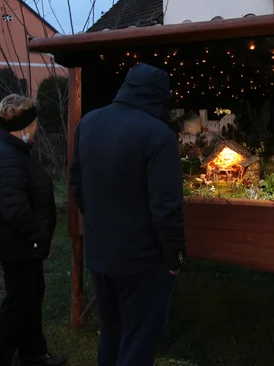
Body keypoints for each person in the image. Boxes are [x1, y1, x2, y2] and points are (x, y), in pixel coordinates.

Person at [70, 63, 185, 366]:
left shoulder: (88, 123)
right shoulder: (159, 135)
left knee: (111, 333)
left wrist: (98, 223)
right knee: (138, 339)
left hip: (100, 253)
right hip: (143, 262)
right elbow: (167, 209)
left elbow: (77, 185)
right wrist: (176, 259)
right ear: (158, 98)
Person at [0, 94, 64, 366]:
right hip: (16, 244)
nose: (36, 128)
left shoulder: (10, 148)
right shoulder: (6, 156)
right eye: (35, 123)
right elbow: (15, 210)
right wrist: (39, 236)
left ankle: (33, 352)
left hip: (21, 244)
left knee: (30, 297)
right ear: (25, 126)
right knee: (18, 304)